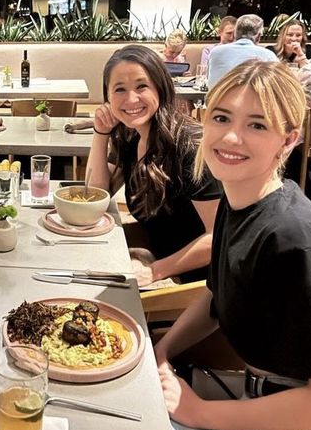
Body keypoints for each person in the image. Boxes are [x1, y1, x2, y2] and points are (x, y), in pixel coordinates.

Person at [154, 60, 311, 430]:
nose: (231, 137)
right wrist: (161, 351)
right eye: (221, 117)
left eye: (257, 125)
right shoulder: (240, 199)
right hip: (249, 397)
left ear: (288, 140)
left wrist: (199, 412)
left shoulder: (299, 242)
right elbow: (216, 301)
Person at [87, 45, 221, 285]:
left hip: (195, 285)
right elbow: (96, 194)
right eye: (119, 89)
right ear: (107, 96)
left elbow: (218, 237)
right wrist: (101, 133)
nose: (131, 99)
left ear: (160, 87)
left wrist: (155, 271)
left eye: (142, 86)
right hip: (155, 259)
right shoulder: (131, 135)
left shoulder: (189, 146)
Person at [207, 14, 278, 88]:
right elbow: (278, 86)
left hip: (217, 99)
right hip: (252, 99)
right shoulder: (269, 56)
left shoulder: (216, 52)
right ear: (258, 37)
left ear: (235, 34)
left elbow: (208, 81)